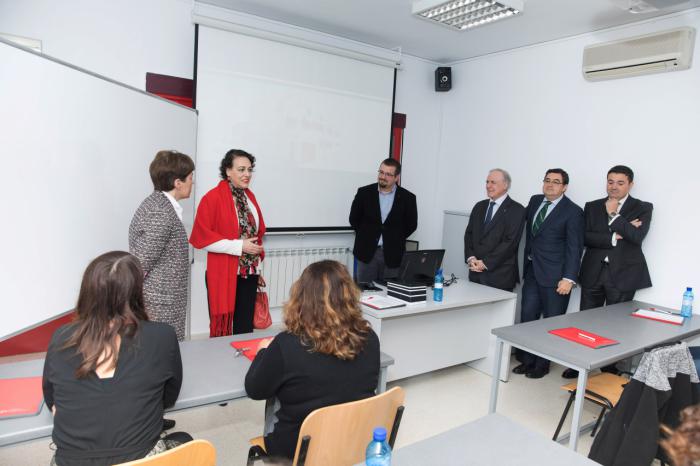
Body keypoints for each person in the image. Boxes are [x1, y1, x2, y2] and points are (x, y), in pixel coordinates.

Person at [42, 251, 189, 466]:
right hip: (141, 460)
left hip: (71, 462)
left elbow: (51, 400)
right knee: (184, 441)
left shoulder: (61, 338)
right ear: (137, 291)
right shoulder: (162, 335)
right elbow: (168, 398)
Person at [245, 260, 380, 461]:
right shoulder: (369, 338)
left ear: (302, 298)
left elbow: (255, 389)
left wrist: (263, 352)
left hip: (298, 448)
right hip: (354, 438)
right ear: (349, 295)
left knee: (274, 398)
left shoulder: (286, 345)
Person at [563, 165, 653, 378]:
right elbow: (585, 237)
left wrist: (613, 214)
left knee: (617, 324)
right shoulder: (592, 206)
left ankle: (609, 368)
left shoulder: (643, 207)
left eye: (620, 183)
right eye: (610, 181)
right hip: (593, 270)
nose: (614, 186)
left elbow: (637, 237)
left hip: (623, 274)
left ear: (630, 184)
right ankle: (580, 363)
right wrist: (614, 235)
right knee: (585, 321)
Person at [513, 169, 584, 379]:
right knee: (528, 317)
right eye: (547, 180)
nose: (550, 185)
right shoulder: (535, 201)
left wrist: (569, 279)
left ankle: (542, 365)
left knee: (551, 323)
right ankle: (527, 360)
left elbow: (575, 247)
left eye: (555, 182)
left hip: (557, 278)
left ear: (564, 187)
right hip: (533, 271)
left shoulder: (573, 211)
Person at [190, 149, 266, 337]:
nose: (247, 174)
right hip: (224, 273)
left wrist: (258, 268)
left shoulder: (250, 198)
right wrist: (239, 246)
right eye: (241, 169)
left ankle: (243, 365)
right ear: (228, 171)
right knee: (223, 332)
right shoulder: (212, 198)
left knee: (244, 328)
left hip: (249, 273)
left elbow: (257, 234)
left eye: (249, 170)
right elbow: (201, 239)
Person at [129, 150, 194, 342]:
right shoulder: (160, 212)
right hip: (160, 303)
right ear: (177, 182)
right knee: (162, 353)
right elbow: (141, 263)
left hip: (164, 300)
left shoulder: (159, 205)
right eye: (190, 177)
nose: (193, 182)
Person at [349, 158, 417, 284]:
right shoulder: (364, 193)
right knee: (364, 293)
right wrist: (367, 235)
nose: (383, 177)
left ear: (397, 177)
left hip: (394, 254)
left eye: (388, 174)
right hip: (367, 253)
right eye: (381, 172)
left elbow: (411, 225)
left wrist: (394, 237)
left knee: (391, 294)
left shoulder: (408, 198)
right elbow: (354, 219)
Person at [464, 168, 526, 292]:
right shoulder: (479, 206)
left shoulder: (517, 210)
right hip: (475, 274)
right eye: (487, 182)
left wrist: (485, 263)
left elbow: (510, 243)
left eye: (493, 182)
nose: (488, 186)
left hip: (499, 277)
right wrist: (471, 258)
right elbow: (469, 234)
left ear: (505, 185)